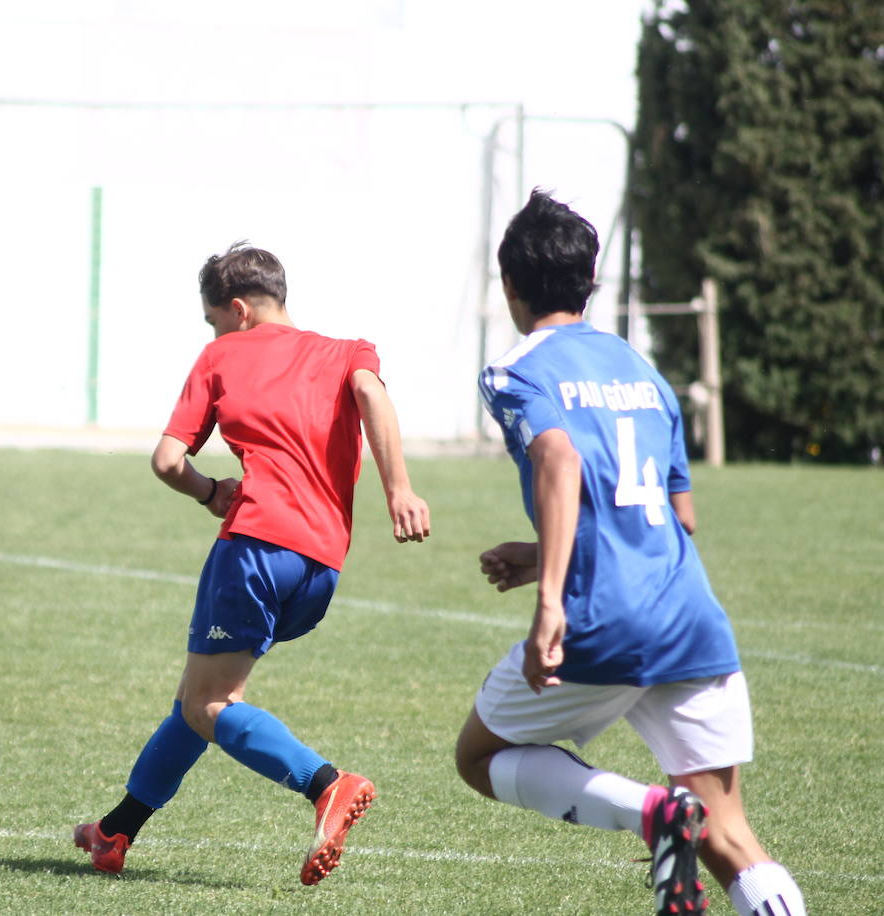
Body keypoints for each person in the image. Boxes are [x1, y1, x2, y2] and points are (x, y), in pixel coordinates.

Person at [455, 190, 806, 916]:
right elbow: (678, 516)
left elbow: (559, 461)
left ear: (510, 284)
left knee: (478, 758)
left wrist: (551, 595)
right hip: (688, 616)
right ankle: (683, 826)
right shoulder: (643, 373)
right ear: (590, 284)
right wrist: (541, 550)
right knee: (731, 835)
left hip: (602, 619)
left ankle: (650, 815)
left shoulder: (514, 370)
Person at [74, 242, 431, 885]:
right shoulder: (349, 350)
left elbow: (165, 460)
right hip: (321, 566)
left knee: (210, 703)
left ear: (236, 310)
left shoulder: (222, 354)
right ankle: (116, 830)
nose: (214, 333)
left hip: (255, 547)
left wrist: (212, 492)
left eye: (214, 320)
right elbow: (373, 397)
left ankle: (326, 783)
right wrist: (399, 489)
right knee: (198, 698)